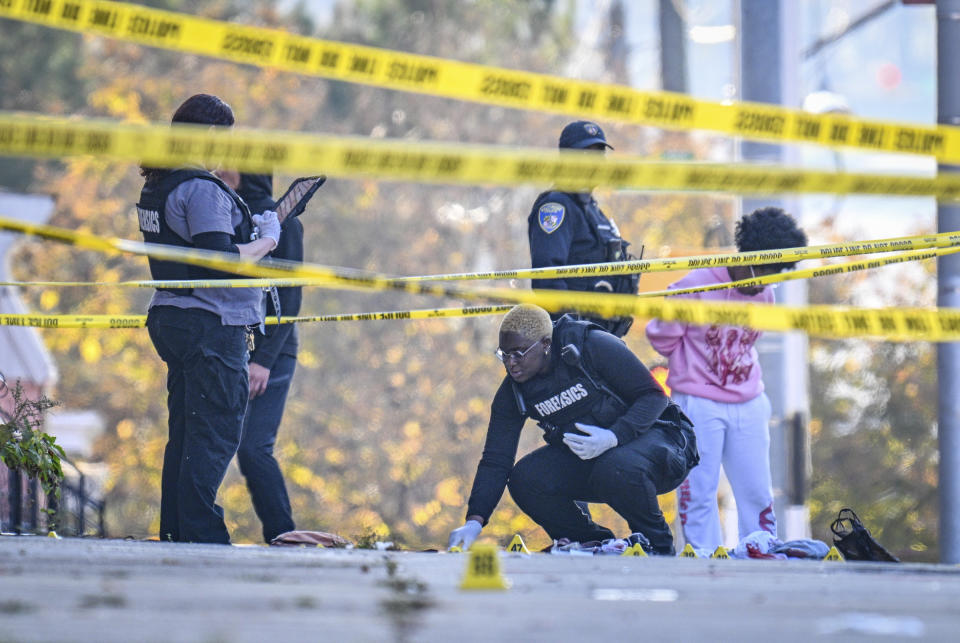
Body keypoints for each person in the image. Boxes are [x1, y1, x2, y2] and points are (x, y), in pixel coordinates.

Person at [137, 94, 281, 544]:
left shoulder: (159, 183)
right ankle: (202, 537)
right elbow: (217, 259)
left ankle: (178, 531)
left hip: (174, 317)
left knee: (184, 433)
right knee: (213, 433)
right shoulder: (201, 187)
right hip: (210, 324)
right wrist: (266, 241)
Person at [447, 304, 699, 555]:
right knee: (525, 479)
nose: (511, 364)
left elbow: (653, 397)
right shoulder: (514, 391)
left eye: (519, 353)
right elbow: (495, 459)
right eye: (504, 355)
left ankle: (657, 545)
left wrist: (614, 436)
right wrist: (474, 521)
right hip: (601, 460)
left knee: (615, 466)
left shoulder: (590, 345)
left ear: (545, 344)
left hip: (665, 444)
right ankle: (592, 542)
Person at [645, 207, 808, 551]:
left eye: (776, 275)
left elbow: (751, 341)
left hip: (749, 401)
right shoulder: (693, 286)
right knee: (698, 490)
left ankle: (760, 550)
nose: (767, 281)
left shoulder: (765, 293)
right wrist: (693, 367)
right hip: (699, 403)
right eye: (765, 271)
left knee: (756, 490)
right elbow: (661, 337)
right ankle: (703, 557)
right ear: (749, 256)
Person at [235, 173, 303, 543]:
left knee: (253, 447)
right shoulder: (230, 210)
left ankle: (283, 533)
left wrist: (263, 360)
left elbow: (290, 299)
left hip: (271, 351)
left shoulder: (283, 221)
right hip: (236, 343)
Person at [527, 121, 639, 337]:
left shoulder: (592, 209)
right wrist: (573, 332)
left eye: (599, 155)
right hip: (577, 338)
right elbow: (547, 279)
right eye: (586, 156)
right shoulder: (556, 206)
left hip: (602, 333)